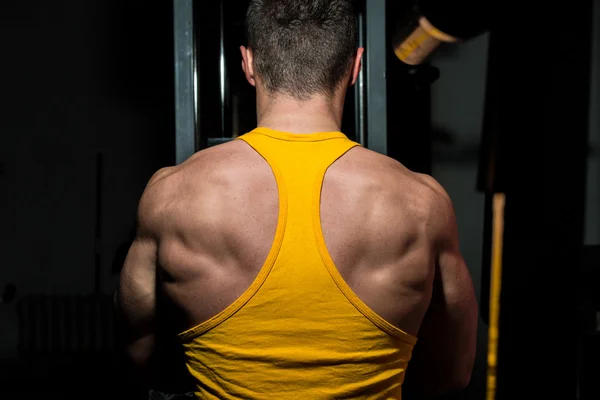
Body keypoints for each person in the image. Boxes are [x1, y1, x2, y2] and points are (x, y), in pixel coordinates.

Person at [115, 0, 478, 398]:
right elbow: (453, 374)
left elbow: (138, 357)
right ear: (356, 67)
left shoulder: (171, 195)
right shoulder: (421, 204)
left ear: (248, 64)